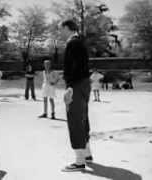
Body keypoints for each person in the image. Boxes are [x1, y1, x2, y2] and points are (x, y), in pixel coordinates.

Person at [61, 20, 92, 171]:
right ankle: (87, 153)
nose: (61, 32)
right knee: (83, 118)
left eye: (62, 29)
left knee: (74, 120)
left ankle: (80, 161)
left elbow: (74, 67)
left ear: (67, 28)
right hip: (84, 83)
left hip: (76, 84)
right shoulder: (80, 42)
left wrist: (70, 87)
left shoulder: (72, 43)